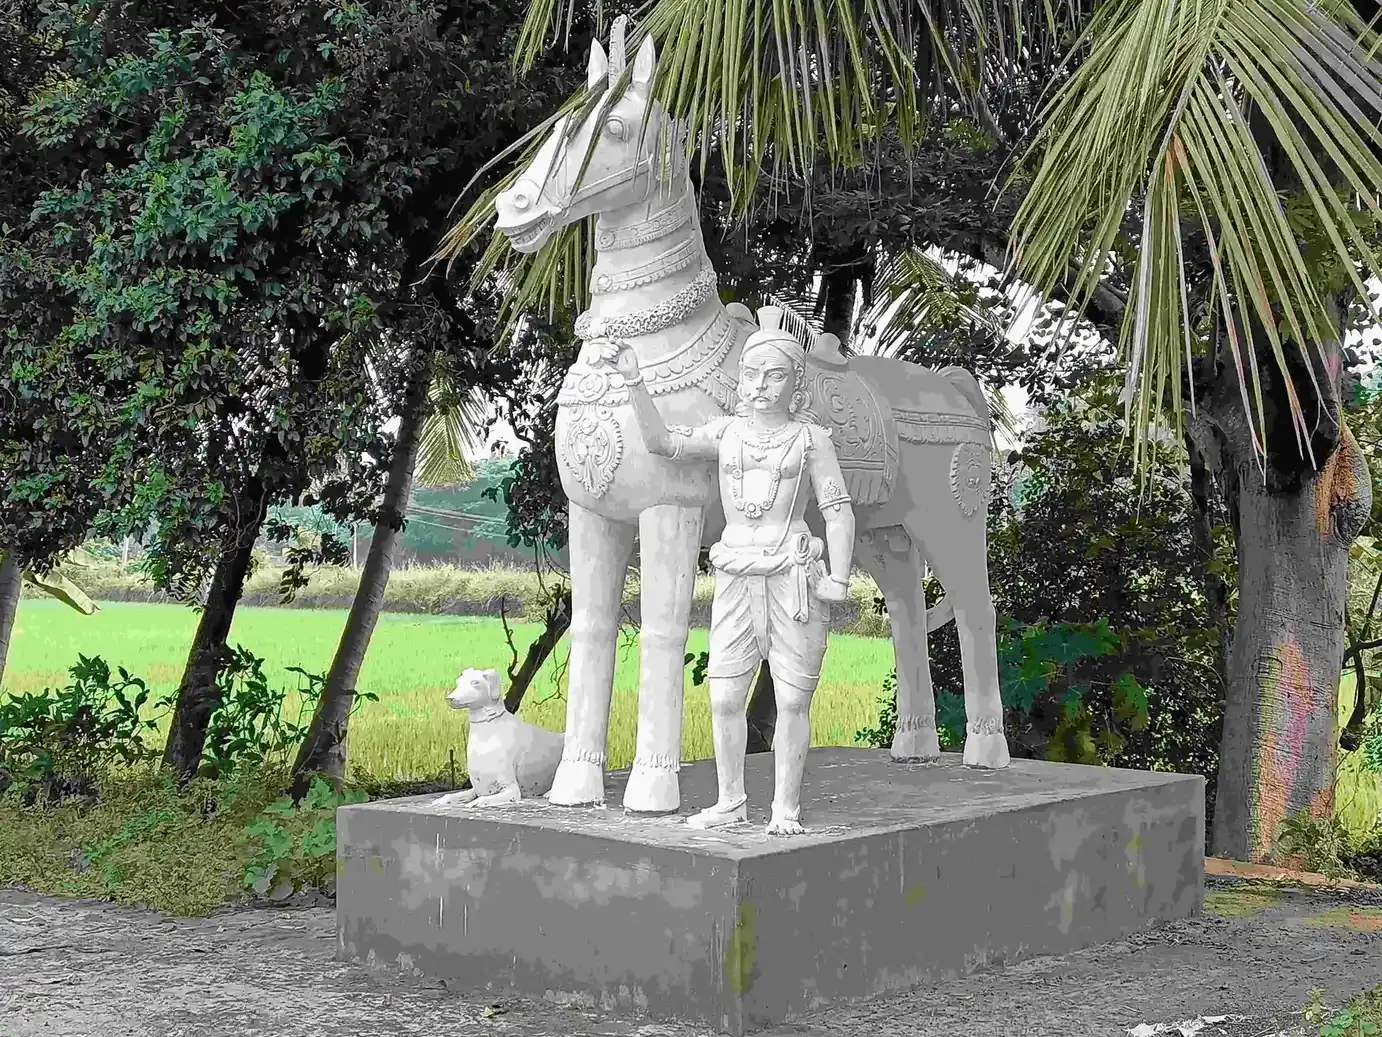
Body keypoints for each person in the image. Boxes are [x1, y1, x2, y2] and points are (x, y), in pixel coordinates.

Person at [596, 306, 856, 835]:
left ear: (794, 382)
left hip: (792, 576)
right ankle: (731, 799)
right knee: (723, 696)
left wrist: (840, 577)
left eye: (775, 375)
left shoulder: (812, 441)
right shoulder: (726, 433)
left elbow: (837, 508)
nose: (761, 386)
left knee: (791, 699)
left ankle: (785, 807)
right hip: (736, 573)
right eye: (752, 374)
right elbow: (662, 442)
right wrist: (633, 380)